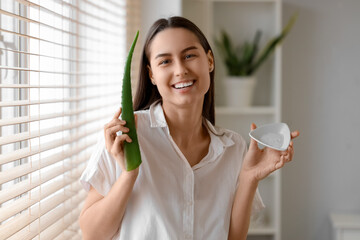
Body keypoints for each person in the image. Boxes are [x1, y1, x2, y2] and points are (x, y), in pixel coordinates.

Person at [79, 16, 299, 240]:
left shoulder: (233, 147)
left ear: (210, 60)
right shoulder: (126, 135)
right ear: (152, 74)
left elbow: (233, 237)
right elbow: (92, 234)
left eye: (189, 55)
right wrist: (129, 174)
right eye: (165, 61)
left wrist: (250, 177)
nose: (181, 69)